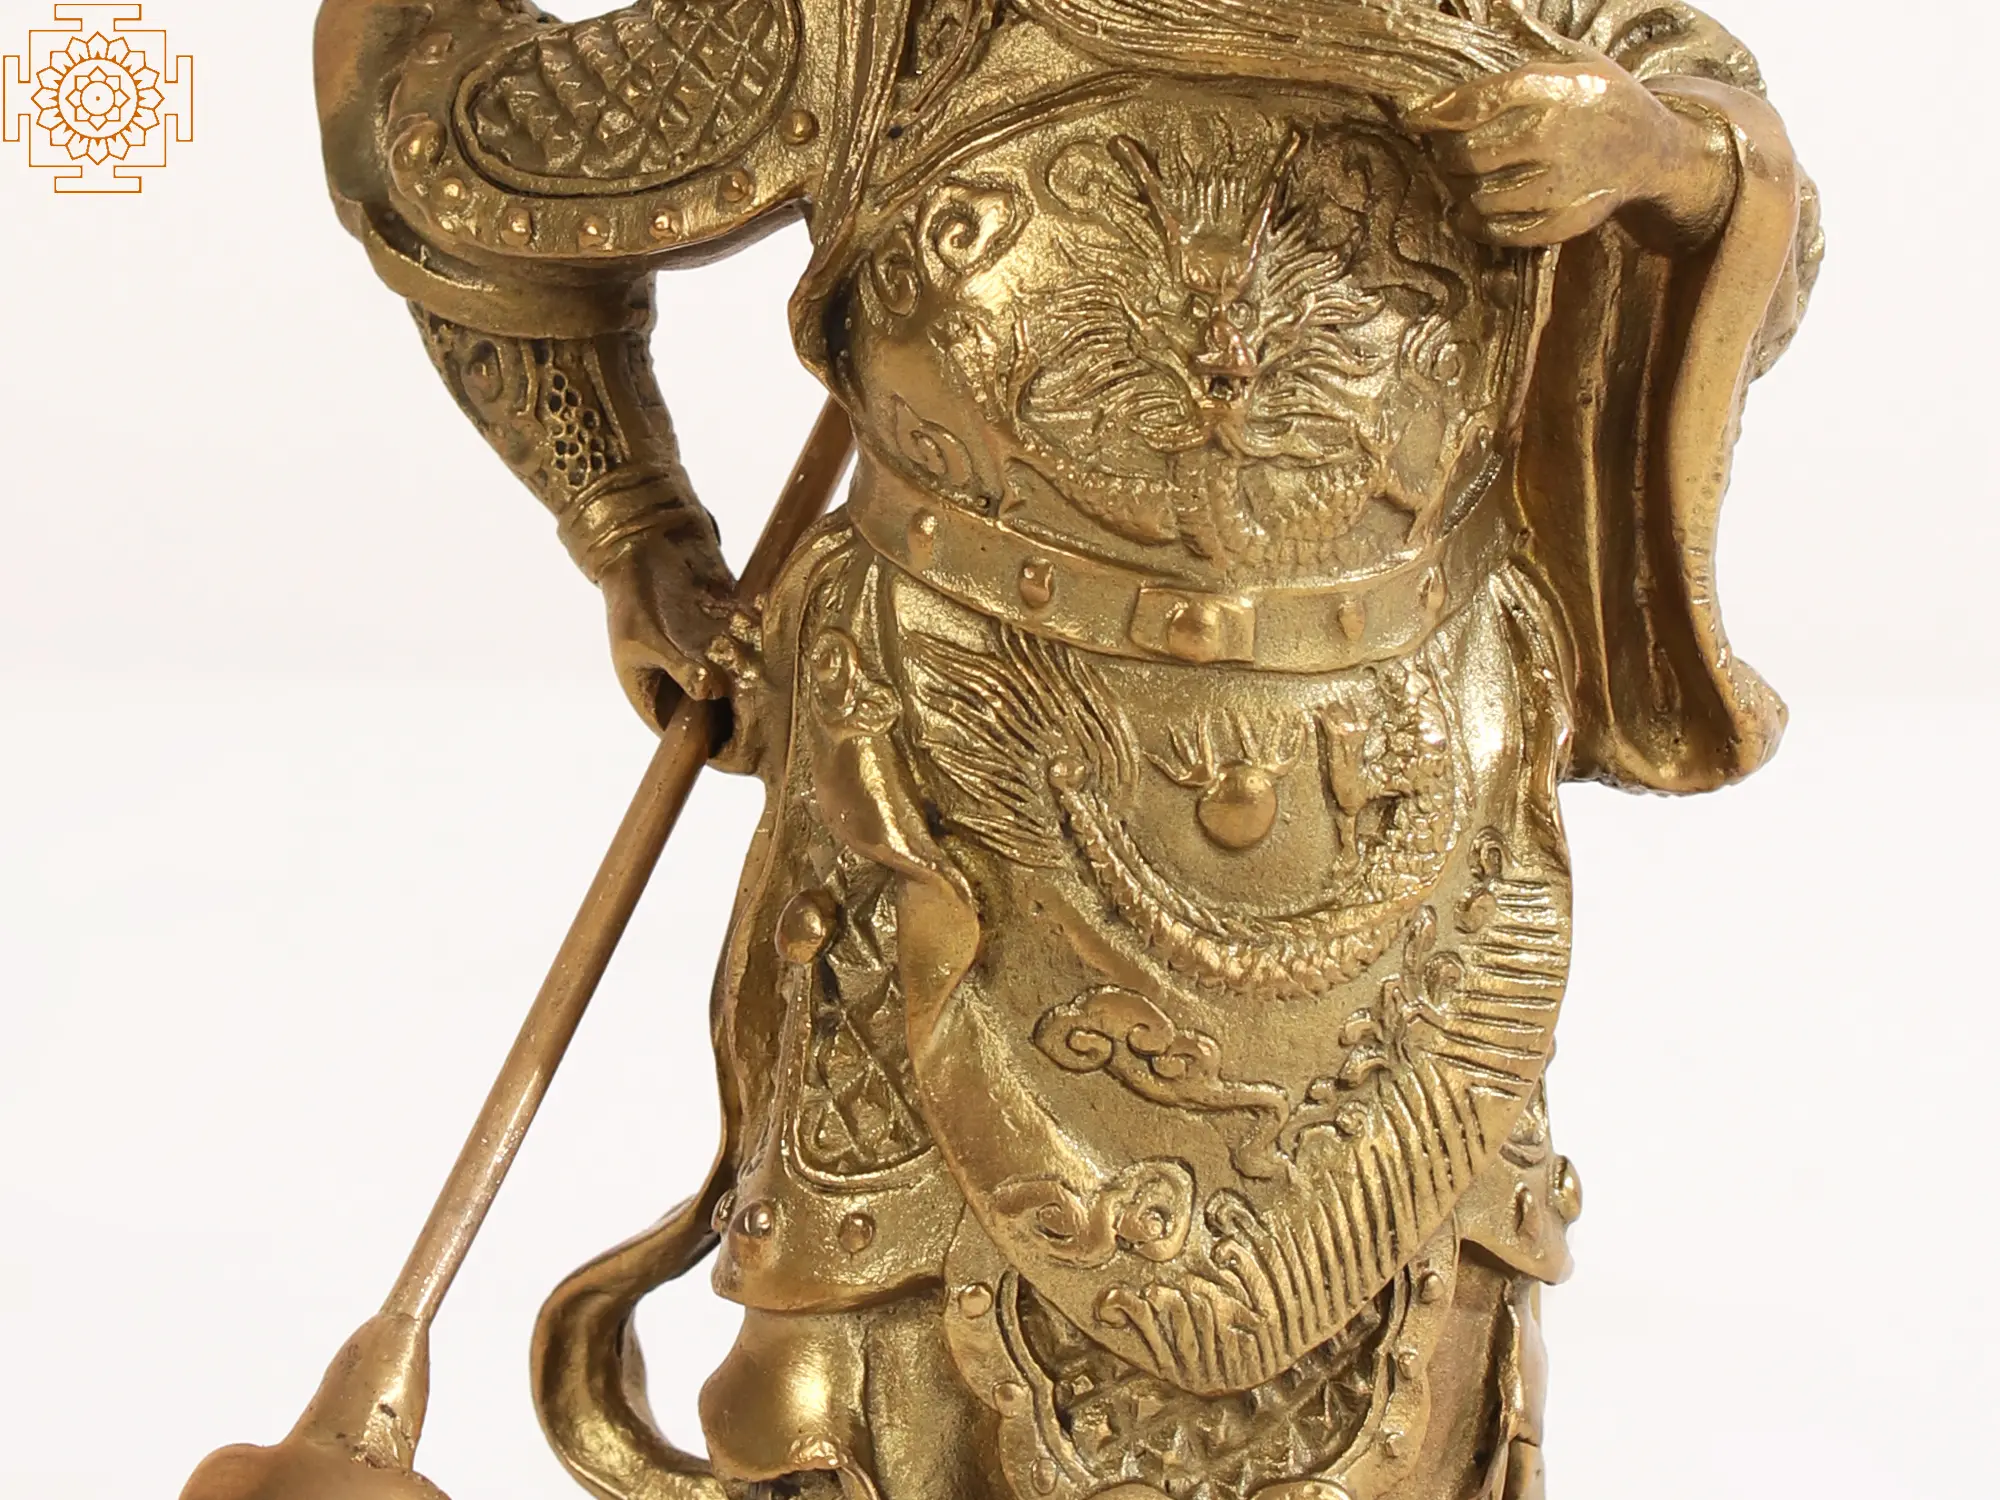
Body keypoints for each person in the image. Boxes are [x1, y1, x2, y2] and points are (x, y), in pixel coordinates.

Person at [312, 3, 1820, 1496]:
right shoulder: (876, 30)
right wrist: (631, 524)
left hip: (1407, 840)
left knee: (1419, 1409)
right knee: (866, 1411)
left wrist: (1659, 158)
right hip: (946, 808)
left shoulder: (1524, 17)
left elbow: (1761, 202)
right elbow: (432, 151)